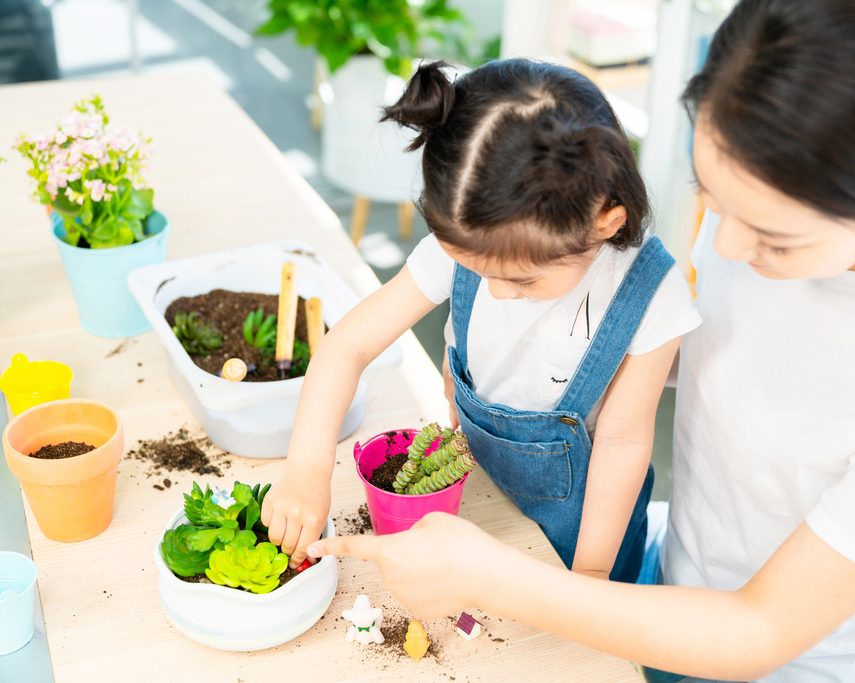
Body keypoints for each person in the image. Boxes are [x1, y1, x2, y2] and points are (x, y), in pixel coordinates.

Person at [302, 1, 855, 681]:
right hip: (663, 593)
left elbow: (758, 630)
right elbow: (700, 357)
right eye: (710, 193)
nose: (727, 246)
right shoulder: (763, 198)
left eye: (774, 238)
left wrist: (500, 576)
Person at [261, 59, 701, 584]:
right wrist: (306, 471)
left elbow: (622, 443)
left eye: (523, 281)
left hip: (582, 541)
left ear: (604, 223)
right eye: (474, 269)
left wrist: (586, 582)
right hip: (479, 501)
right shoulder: (475, 239)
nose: (494, 292)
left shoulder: (649, 295)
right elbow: (347, 345)